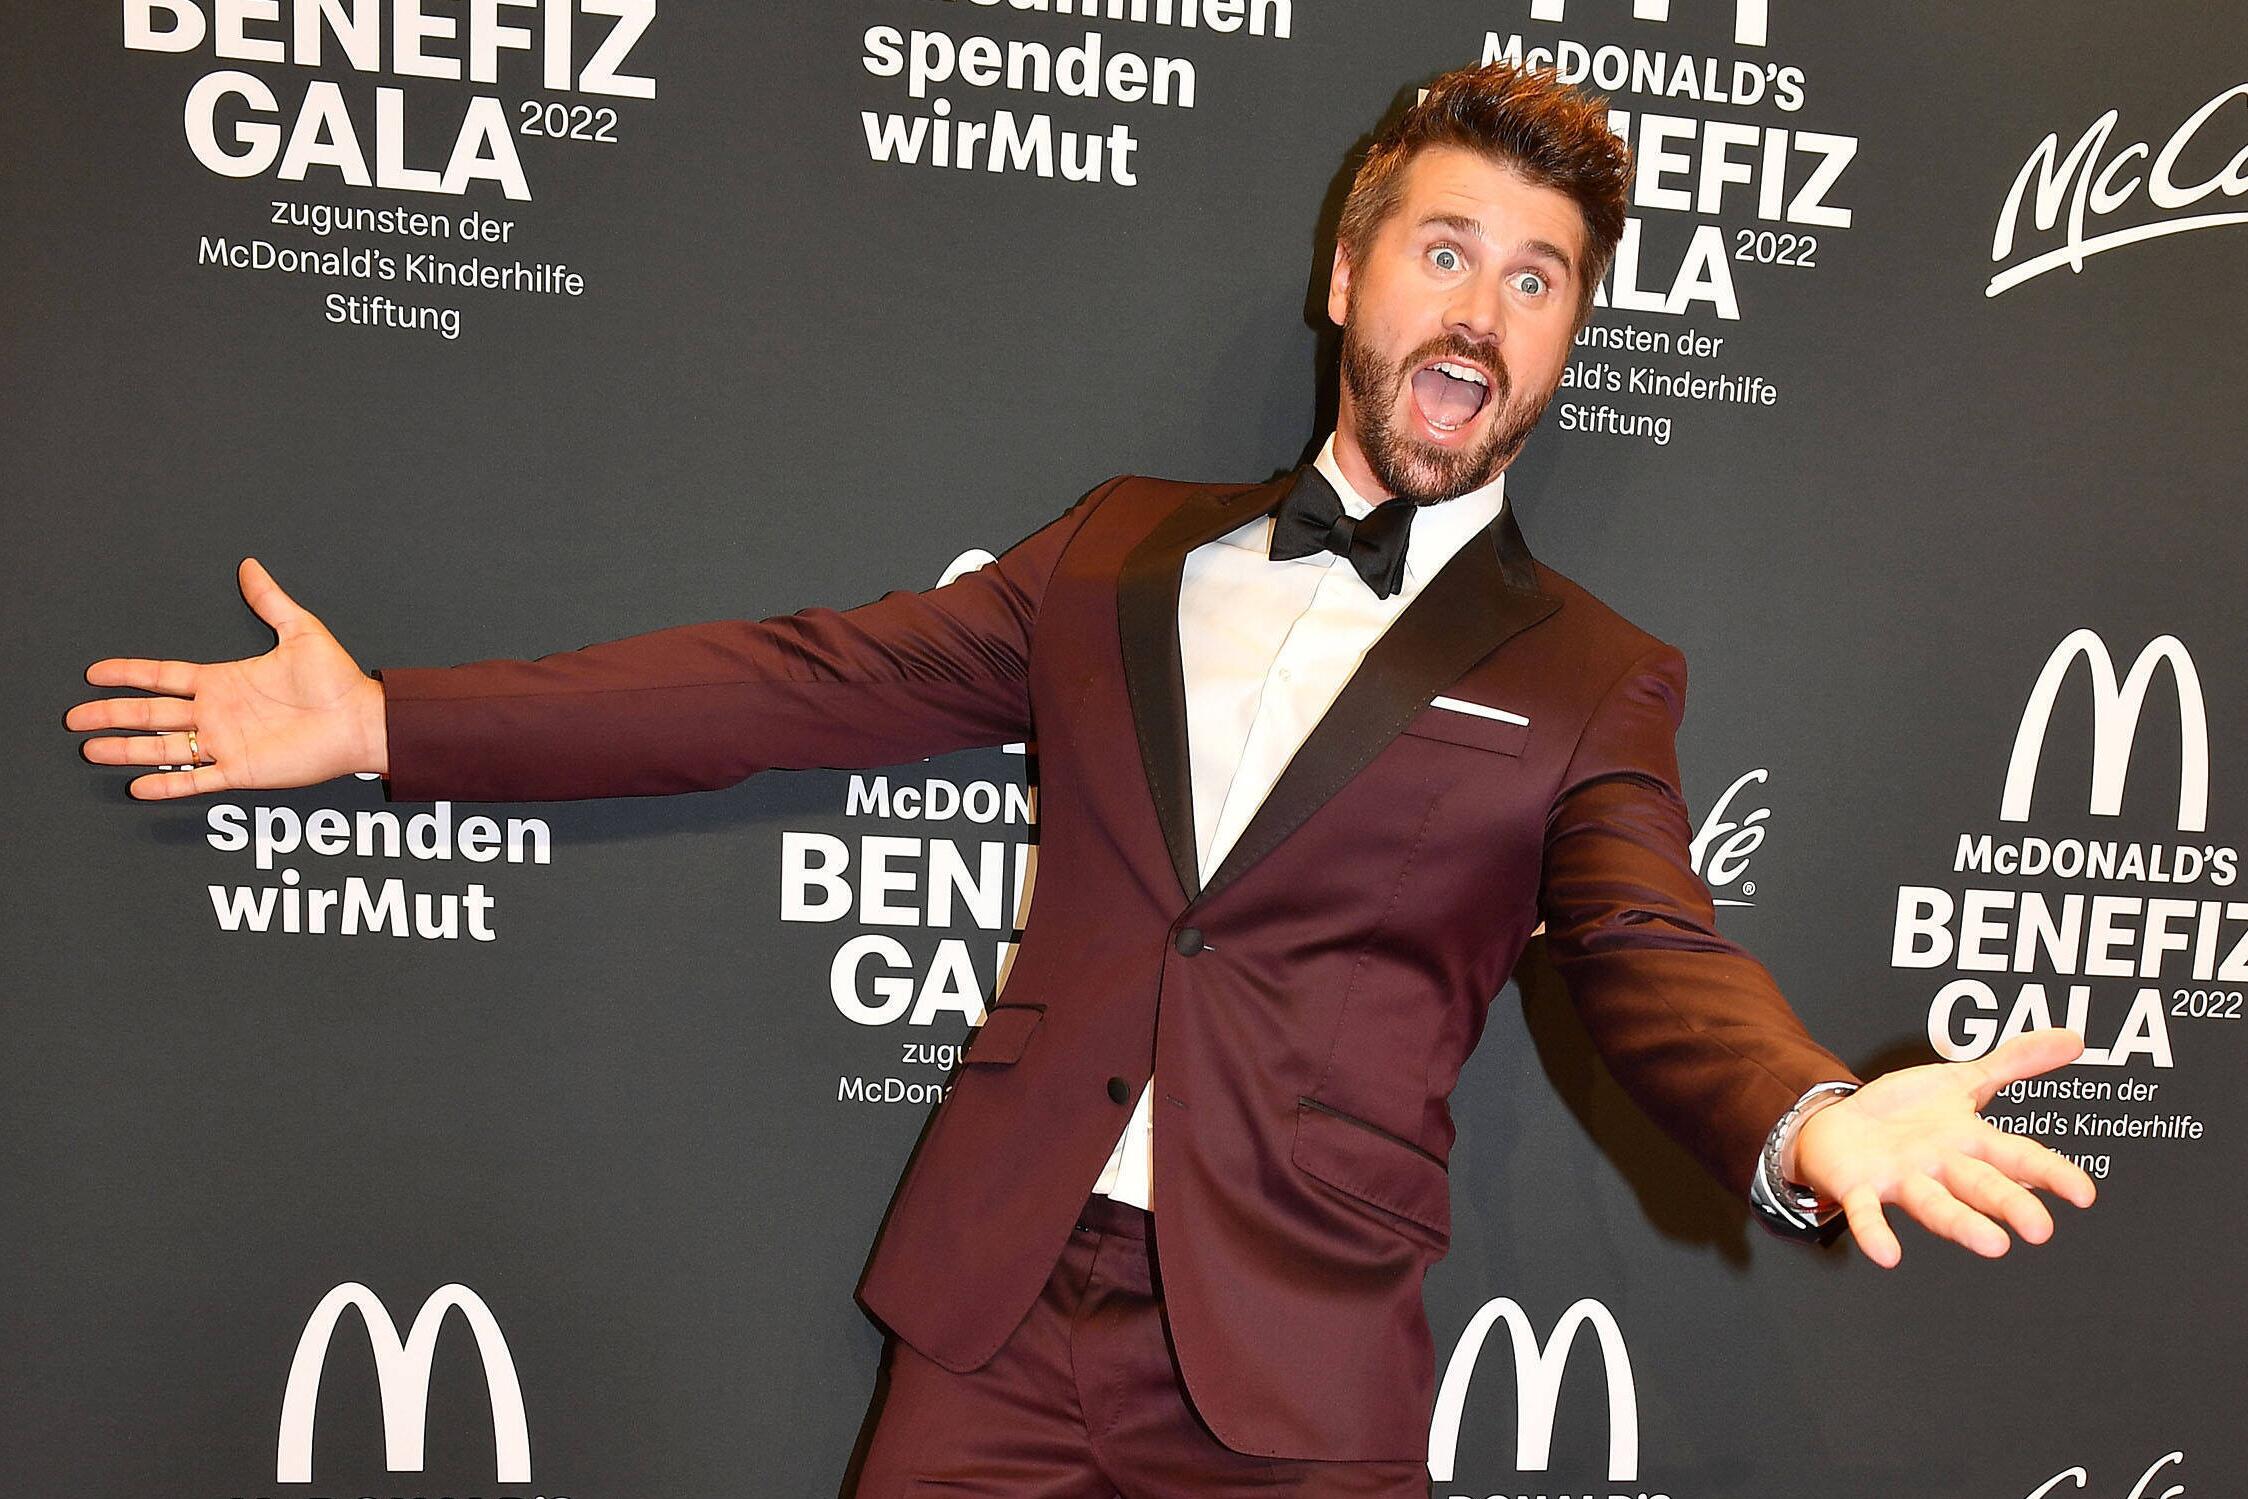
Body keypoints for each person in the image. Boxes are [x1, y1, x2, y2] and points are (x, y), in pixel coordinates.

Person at [68, 62, 2094, 1499]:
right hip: (997, 1322)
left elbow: (1653, 948)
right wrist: (386, 723)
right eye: (1444, 251)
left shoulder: (1587, 675)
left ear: (1568, 341)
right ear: (1348, 275)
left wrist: (1811, 1115)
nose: (1478, 314)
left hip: (1298, 1373)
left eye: (1537, 278)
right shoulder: (1120, 548)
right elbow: (792, 683)